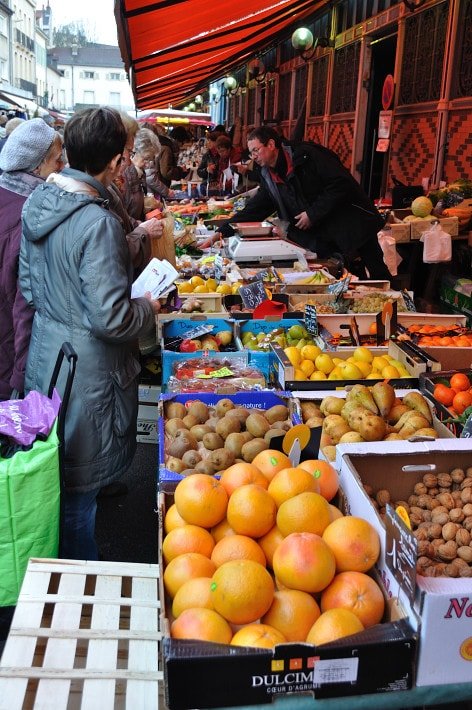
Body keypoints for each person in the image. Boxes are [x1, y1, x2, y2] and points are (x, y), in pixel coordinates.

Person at [19, 107, 161, 560]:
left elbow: (28, 286)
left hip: (47, 356)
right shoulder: (97, 222)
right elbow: (111, 319)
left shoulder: (38, 202)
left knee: (60, 475)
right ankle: (75, 582)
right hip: (88, 370)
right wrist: (149, 306)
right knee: (77, 497)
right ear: (117, 162)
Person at [218, 126, 390, 280]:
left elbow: (340, 183)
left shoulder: (307, 155)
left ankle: (399, 309)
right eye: (251, 153)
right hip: (326, 235)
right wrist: (221, 231)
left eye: (256, 150)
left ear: (271, 144)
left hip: (353, 223)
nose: (253, 157)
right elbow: (255, 208)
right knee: (347, 279)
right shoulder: (268, 175)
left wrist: (312, 214)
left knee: (379, 274)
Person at [0, 118, 64, 401]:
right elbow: (26, 302)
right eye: (57, 160)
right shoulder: (31, 215)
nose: (62, 167)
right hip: (8, 353)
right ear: (37, 166)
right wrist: (22, 377)